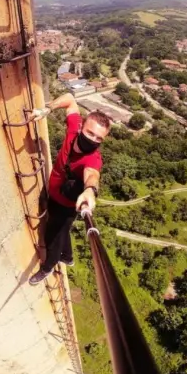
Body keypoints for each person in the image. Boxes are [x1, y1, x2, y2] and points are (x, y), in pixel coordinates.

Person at [29, 93, 111, 285]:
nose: (93, 139)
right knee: (63, 231)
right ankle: (68, 257)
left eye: (99, 138)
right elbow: (70, 99)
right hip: (55, 195)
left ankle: (47, 267)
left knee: (53, 236)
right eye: (90, 133)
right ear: (82, 126)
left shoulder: (92, 158)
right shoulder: (74, 128)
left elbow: (92, 174)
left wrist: (90, 190)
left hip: (67, 206)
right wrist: (47, 109)